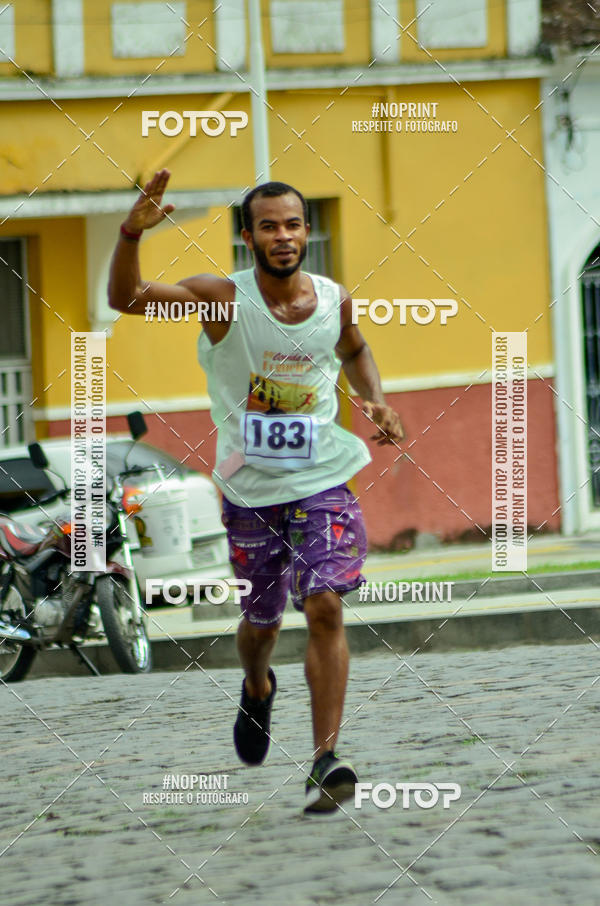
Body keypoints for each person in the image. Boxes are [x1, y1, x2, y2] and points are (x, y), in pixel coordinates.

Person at [108, 170, 404, 813]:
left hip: (323, 476)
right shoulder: (222, 300)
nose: (283, 235)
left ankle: (326, 758)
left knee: (325, 603)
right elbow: (127, 298)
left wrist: (374, 397)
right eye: (268, 225)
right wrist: (132, 232)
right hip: (249, 488)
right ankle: (256, 683)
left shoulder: (332, 299)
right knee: (260, 625)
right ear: (248, 238)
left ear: (307, 231)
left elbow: (355, 349)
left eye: (293, 224)